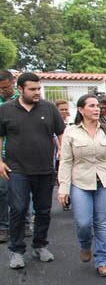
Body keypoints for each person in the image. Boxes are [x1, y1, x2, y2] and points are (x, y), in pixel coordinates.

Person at [58, 94, 106, 277]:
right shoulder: (71, 132)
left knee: (101, 223)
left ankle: (102, 260)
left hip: (104, 182)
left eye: (97, 105)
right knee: (83, 223)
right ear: (81, 110)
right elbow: (65, 162)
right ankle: (84, 245)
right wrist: (63, 189)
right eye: (91, 106)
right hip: (80, 183)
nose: (97, 109)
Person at [0, 72, 65, 269]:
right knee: (18, 209)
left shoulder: (49, 108)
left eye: (39, 89)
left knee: (44, 211)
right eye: (33, 89)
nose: (37, 93)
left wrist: (63, 153)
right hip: (16, 169)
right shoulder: (5, 110)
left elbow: (61, 132)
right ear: (20, 89)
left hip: (45, 169)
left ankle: (40, 245)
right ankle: (17, 250)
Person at [0, 69, 18, 243]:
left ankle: (25, 223)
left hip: (21, 153)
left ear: (12, 83)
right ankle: (4, 226)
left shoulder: (23, 98)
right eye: (0, 88)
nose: (2, 91)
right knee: (2, 190)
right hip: (3, 153)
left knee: (22, 192)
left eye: (5, 87)